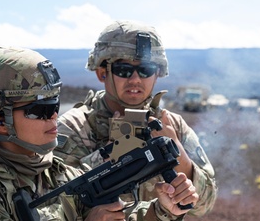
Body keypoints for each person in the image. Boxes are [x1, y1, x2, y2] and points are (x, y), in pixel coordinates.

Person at [0, 46, 197, 221]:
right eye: (40, 110)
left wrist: (163, 210)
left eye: (55, 106)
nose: (54, 117)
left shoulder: (57, 173)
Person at [54, 20, 218, 219]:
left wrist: (179, 156)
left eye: (146, 70)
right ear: (102, 73)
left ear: (157, 75)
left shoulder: (172, 126)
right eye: (123, 70)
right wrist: (105, 159)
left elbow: (204, 205)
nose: (135, 79)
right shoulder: (74, 128)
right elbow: (51, 208)